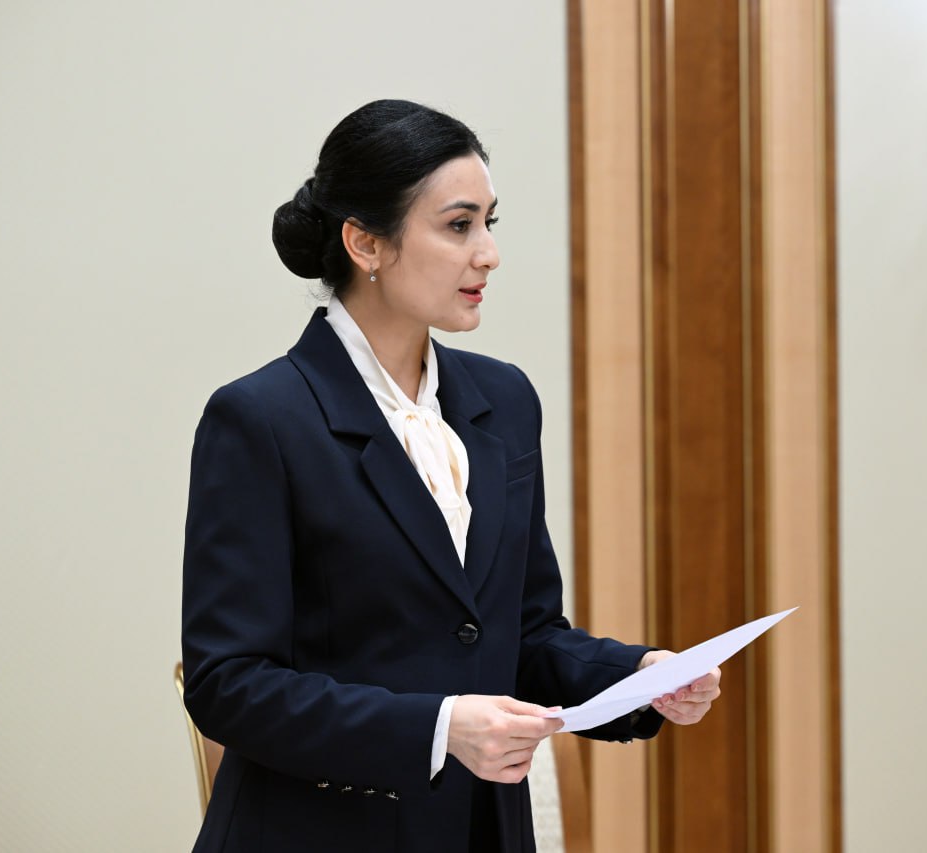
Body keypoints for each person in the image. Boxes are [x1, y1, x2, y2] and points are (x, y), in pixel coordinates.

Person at [180, 99, 722, 853]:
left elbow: (523, 636)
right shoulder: (261, 418)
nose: (489, 253)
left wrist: (640, 675)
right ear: (366, 242)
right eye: (459, 225)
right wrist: (438, 727)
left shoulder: (505, 400)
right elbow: (229, 684)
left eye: (489, 224)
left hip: (483, 830)